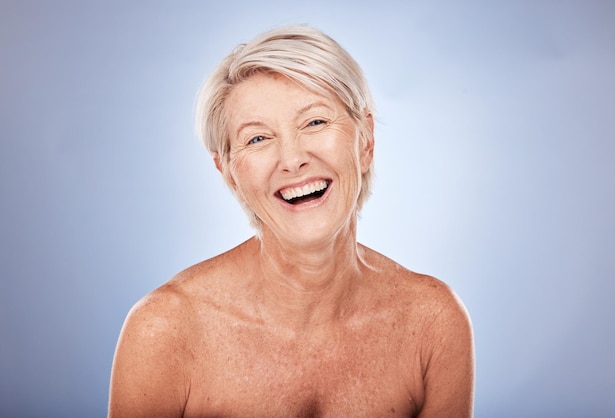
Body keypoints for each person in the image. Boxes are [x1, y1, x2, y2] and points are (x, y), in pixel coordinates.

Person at [108, 24, 474, 418]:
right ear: (229, 172)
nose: (292, 159)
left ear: (365, 141)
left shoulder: (433, 323)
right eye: (258, 139)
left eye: (315, 122)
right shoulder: (165, 330)